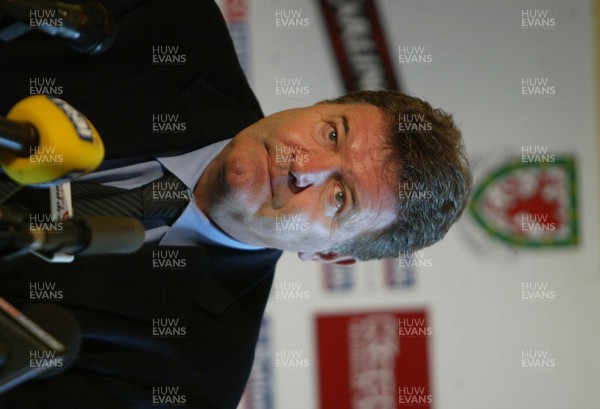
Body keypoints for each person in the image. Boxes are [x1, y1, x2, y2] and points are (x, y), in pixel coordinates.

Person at [0, 0, 471, 408]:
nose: (302, 164)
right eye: (331, 132)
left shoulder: (188, 377)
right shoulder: (164, 21)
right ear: (318, 103)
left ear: (330, 255)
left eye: (339, 195)